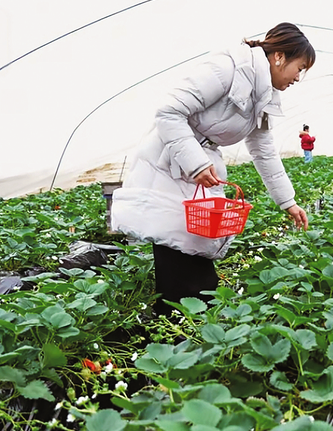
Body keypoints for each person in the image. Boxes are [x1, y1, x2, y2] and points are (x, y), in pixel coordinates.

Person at [111, 23, 315, 315]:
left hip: (198, 169)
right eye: (300, 67)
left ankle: (186, 325)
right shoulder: (229, 67)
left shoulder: (264, 93)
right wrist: (196, 162)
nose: (298, 77)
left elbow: (263, 149)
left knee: (195, 250)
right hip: (169, 163)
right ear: (279, 56)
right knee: (178, 254)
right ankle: (178, 328)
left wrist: (288, 201)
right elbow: (169, 112)